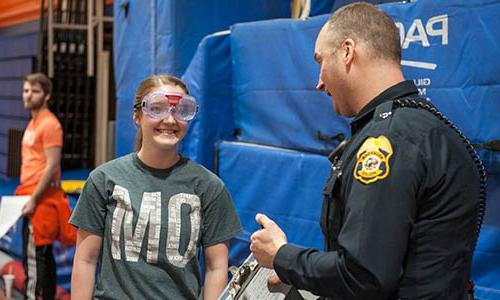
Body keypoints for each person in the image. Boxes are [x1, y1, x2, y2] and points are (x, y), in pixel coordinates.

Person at [250, 2, 486, 299]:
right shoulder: (425, 125)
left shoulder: (388, 139)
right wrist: (293, 282)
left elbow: (363, 275)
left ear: (347, 51)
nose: (319, 82)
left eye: (320, 60)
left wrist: (281, 256)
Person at [70, 74, 243, 299]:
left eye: (181, 110)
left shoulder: (209, 187)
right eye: (157, 108)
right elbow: (85, 260)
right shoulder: (104, 179)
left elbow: (216, 268)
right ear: (137, 116)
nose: (170, 120)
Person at [16, 73, 74, 300]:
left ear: (47, 95)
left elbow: (51, 166)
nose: (28, 95)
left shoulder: (50, 124)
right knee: (38, 255)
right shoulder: (33, 122)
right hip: (29, 194)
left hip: (40, 199)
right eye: (26, 90)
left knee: (37, 257)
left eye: (35, 91)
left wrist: (34, 199)